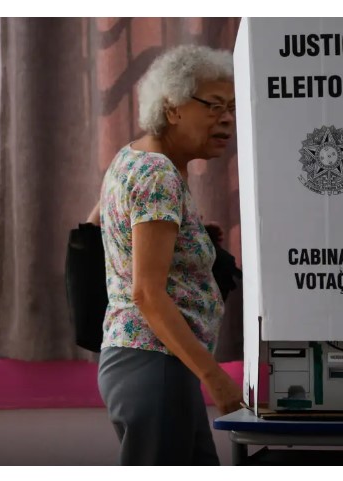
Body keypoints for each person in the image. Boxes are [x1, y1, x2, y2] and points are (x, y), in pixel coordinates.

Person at [90, 44, 242, 465]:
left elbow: (102, 225)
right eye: (213, 106)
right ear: (172, 108)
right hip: (154, 365)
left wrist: (187, 235)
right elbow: (147, 294)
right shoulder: (159, 174)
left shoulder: (132, 157)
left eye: (231, 107)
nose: (227, 118)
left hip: (154, 363)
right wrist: (216, 378)